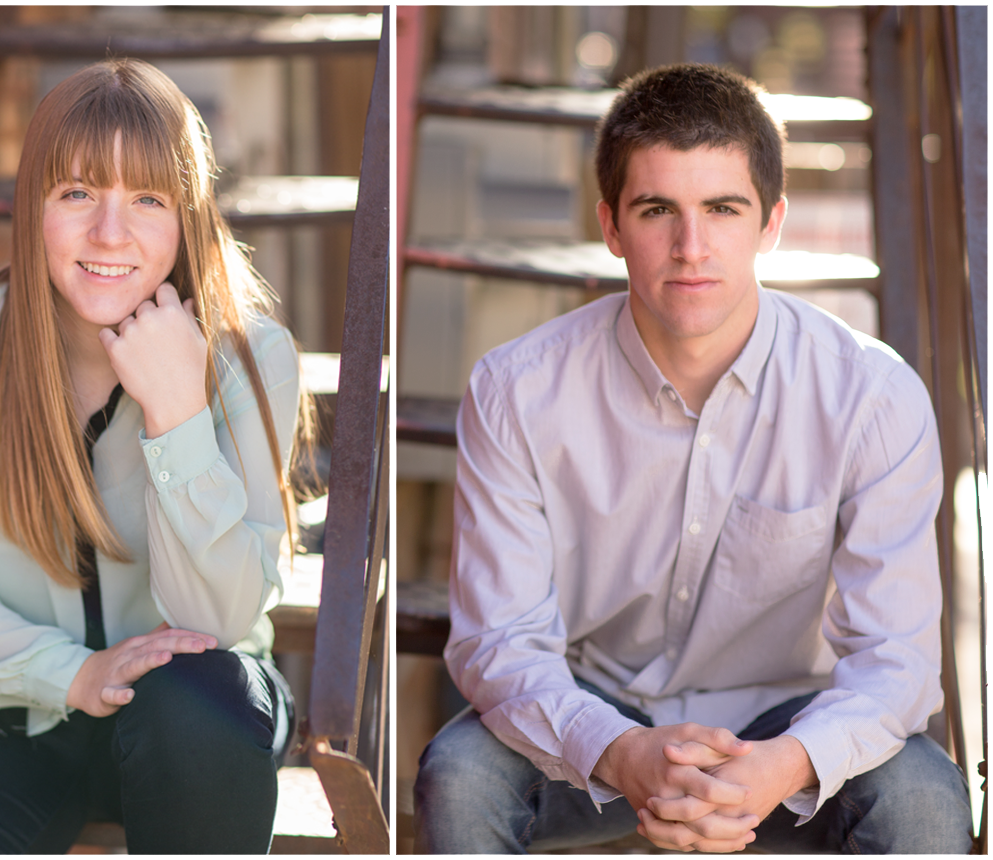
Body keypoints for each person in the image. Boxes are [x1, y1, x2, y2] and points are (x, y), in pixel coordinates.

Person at [414, 64, 972, 854]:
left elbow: (899, 662)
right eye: (657, 211)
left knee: (921, 796)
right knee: (460, 776)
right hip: (597, 710)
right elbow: (498, 643)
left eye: (722, 208)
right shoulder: (517, 390)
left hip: (789, 728)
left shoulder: (870, 397)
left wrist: (785, 765)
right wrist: (619, 751)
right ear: (611, 225)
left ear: (771, 223)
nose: (691, 247)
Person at [0, 58, 308, 853]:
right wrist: (70, 674)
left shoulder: (248, 355)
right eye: (77, 193)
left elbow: (216, 620)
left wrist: (177, 414)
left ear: (189, 218)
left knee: (195, 709)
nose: (111, 233)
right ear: (33, 204)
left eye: (147, 198)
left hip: (197, 714)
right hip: (6, 700)